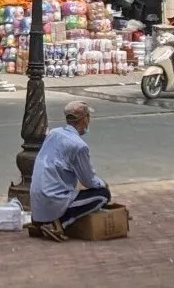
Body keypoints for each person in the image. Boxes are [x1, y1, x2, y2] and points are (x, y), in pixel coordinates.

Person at [29, 101, 111, 242]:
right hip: (53, 199)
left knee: (78, 192)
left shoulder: (54, 133)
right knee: (103, 195)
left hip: (37, 200)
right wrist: (103, 183)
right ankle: (59, 223)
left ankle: (43, 221)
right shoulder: (79, 146)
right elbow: (89, 181)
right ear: (85, 120)